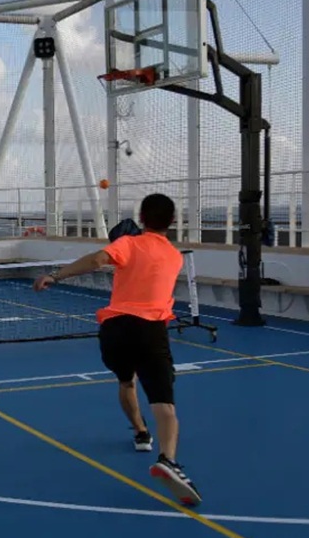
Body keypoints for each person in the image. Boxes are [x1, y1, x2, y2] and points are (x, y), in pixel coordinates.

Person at [32, 193, 201, 507]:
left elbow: (97, 261)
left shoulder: (128, 244)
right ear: (173, 221)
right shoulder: (175, 256)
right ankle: (168, 459)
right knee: (164, 404)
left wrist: (54, 276)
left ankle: (140, 433)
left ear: (142, 217)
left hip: (114, 331)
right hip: (150, 331)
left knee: (126, 381)